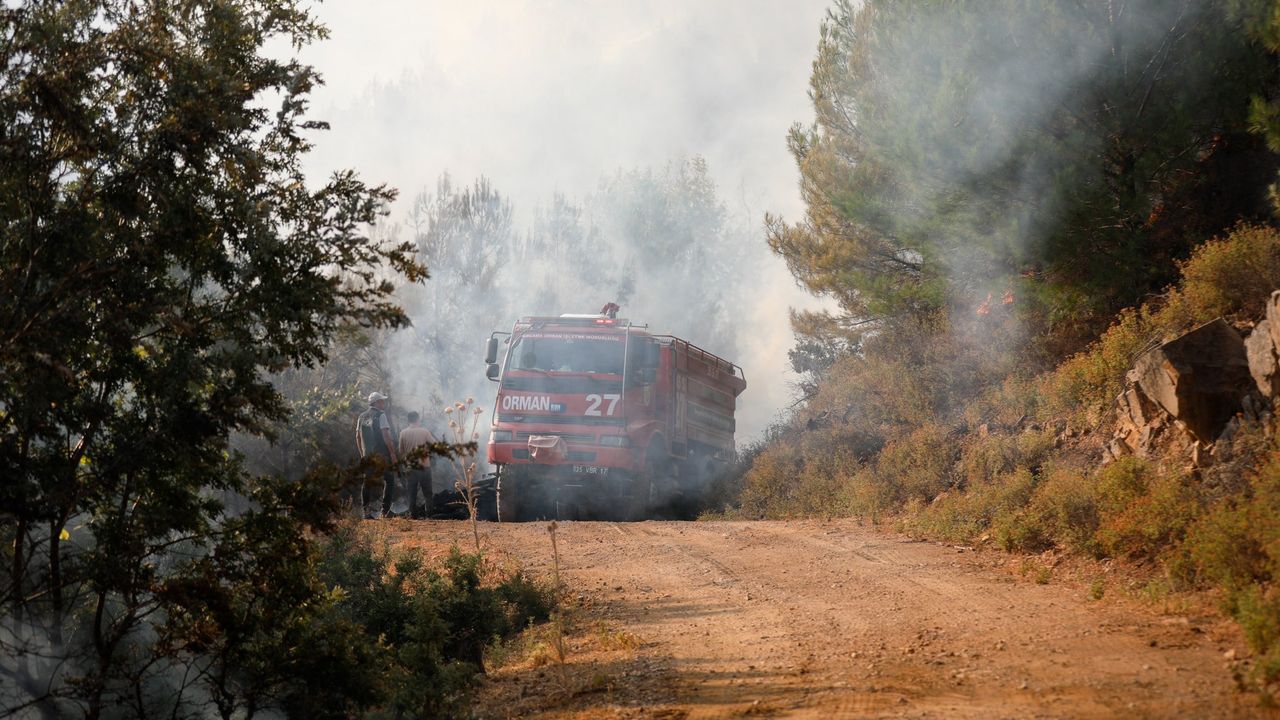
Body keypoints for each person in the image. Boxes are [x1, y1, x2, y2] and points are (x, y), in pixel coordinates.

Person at [355, 391, 398, 519]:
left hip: (367, 456)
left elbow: (357, 436)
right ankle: (385, 511)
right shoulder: (381, 415)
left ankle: (366, 513)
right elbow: (386, 436)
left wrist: (362, 453)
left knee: (367, 483)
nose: (384, 403)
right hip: (382, 455)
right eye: (382, 401)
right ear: (376, 403)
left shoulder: (361, 416)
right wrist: (392, 453)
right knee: (389, 480)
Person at [398, 411, 438, 520]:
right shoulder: (424, 431)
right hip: (424, 466)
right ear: (418, 419)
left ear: (408, 420)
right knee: (427, 493)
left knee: (412, 493)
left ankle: (413, 516)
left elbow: (401, 452)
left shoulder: (403, 433)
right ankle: (429, 515)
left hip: (410, 467)